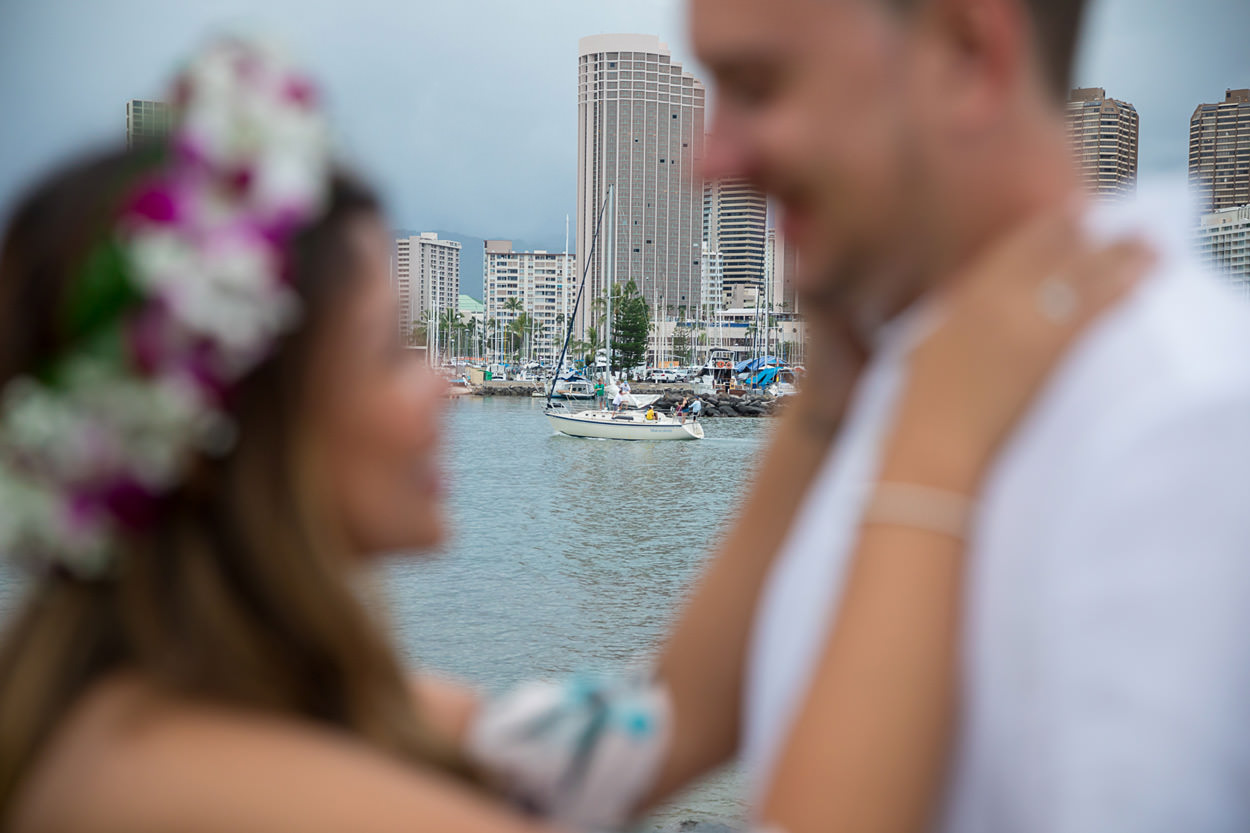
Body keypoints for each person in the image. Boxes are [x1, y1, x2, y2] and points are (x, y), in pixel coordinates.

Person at [0, 33, 1151, 833]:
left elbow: (658, 729)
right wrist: (934, 455)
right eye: (399, 350)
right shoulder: (173, 773)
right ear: (244, 423)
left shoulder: (237, 697)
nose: (450, 383)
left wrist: (831, 389)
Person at [662, 0, 1250, 830]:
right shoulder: (907, 379)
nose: (706, 161)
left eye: (758, 86)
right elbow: (664, 730)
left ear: (967, 55)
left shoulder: (1182, 429)